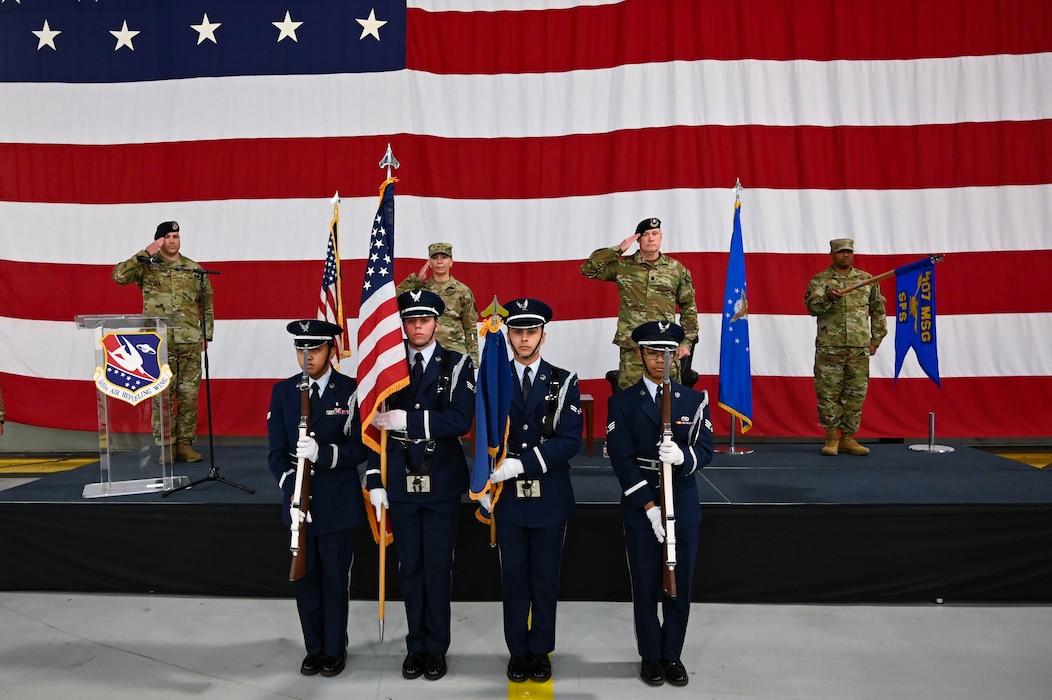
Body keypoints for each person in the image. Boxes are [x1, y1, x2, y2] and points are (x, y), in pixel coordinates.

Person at [365, 289, 475, 682]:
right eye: (410, 320)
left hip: (441, 478)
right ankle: (416, 645)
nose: (417, 327)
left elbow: (460, 420)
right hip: (399, 477)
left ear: (436, 323)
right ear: (404, 325)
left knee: (437, 566)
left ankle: (437, 648)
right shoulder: (387, 367)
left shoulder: (458, 364)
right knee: (409, 566)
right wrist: (374, 477)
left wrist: (408, 422)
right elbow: (372, 425)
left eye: (424, 320)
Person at [605, 321, 714, 688]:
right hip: (642, 508)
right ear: (640, 355)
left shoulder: (694, 400)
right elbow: (621, 460)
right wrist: (649, 508)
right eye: (652, 352)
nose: (660, 360)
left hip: (682, 504)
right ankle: (650, 656)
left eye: (667, 352)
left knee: (679, 586)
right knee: (646, 587)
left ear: (677, 354)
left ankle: (673, 655)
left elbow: (706, 450)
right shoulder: (621, 403)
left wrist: (683, 457)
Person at [483, 298, 582, 684]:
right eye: (517, 332)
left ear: (543, 334)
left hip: (548, 496)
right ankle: (517, 650)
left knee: (544, 575)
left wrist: (521, 463)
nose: (524, 339)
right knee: (514, 577)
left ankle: (540, 650)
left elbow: (569, 440)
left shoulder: (564, 381)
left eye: (531, 332)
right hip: (507, 498)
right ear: (507, 334)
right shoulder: (495, 378)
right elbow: (486, 437)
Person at [266, 319, 368, 678]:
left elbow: (360, 449)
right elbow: (275, 453)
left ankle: (335, 649)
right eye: (300, 349)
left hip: (338, 502)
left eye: (315, 349)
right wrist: (293, 489)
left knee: (335, 581)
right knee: (306, 581)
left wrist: (323, 453)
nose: (306, 356)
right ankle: (314, 648)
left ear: (330, 351)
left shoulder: (351, 390)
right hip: (299, 505)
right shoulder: (283, 392)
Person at [112, 221, 214, 462]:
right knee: (162, 396)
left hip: (188, 341)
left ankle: (185, 444)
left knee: (189, 396)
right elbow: (118, 276)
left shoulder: (193, 269)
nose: (172, 240)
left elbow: (206, 303)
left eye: (176, 236)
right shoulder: (146, 266)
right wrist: (145, 253)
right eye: (167, 236)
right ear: (159, 240)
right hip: (157, 344)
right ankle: (166, 445)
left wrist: (205, 334)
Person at [580, 217, 699, 390]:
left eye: (655, 234)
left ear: (661, 237)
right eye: (645, 235)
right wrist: (618, 249)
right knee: (630, 400)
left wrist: (686, 342)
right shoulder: (623, 267)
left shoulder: (677, 270)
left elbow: (689, 308)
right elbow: (587, 269)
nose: (651, 238)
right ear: (638, 239)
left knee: (668, 400)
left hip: (666, 347)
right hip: (633, 347)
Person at [804, 238, 888, 456]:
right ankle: (831, 438)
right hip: (830, 348)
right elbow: (812, 307)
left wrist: (876, 339)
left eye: (849, 251)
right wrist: (828, 299)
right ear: (832, 254)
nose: (846, 255)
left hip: (858, 348)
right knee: (828, 394)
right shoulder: (820, 281)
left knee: (856, 394)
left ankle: (848, 438)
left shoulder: (867, 279)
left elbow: (878, 309)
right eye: (841, 252)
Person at [396, 242, 480, 363]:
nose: (439, 262)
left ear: (451, 262)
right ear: (429, 262)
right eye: (435, 258)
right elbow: (391, 303)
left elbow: (470, 327)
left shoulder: (463, 291)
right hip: (425, 352)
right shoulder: (420, 290)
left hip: (454, 351)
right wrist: (415, 280)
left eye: (444, 257)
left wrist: (473, 360)